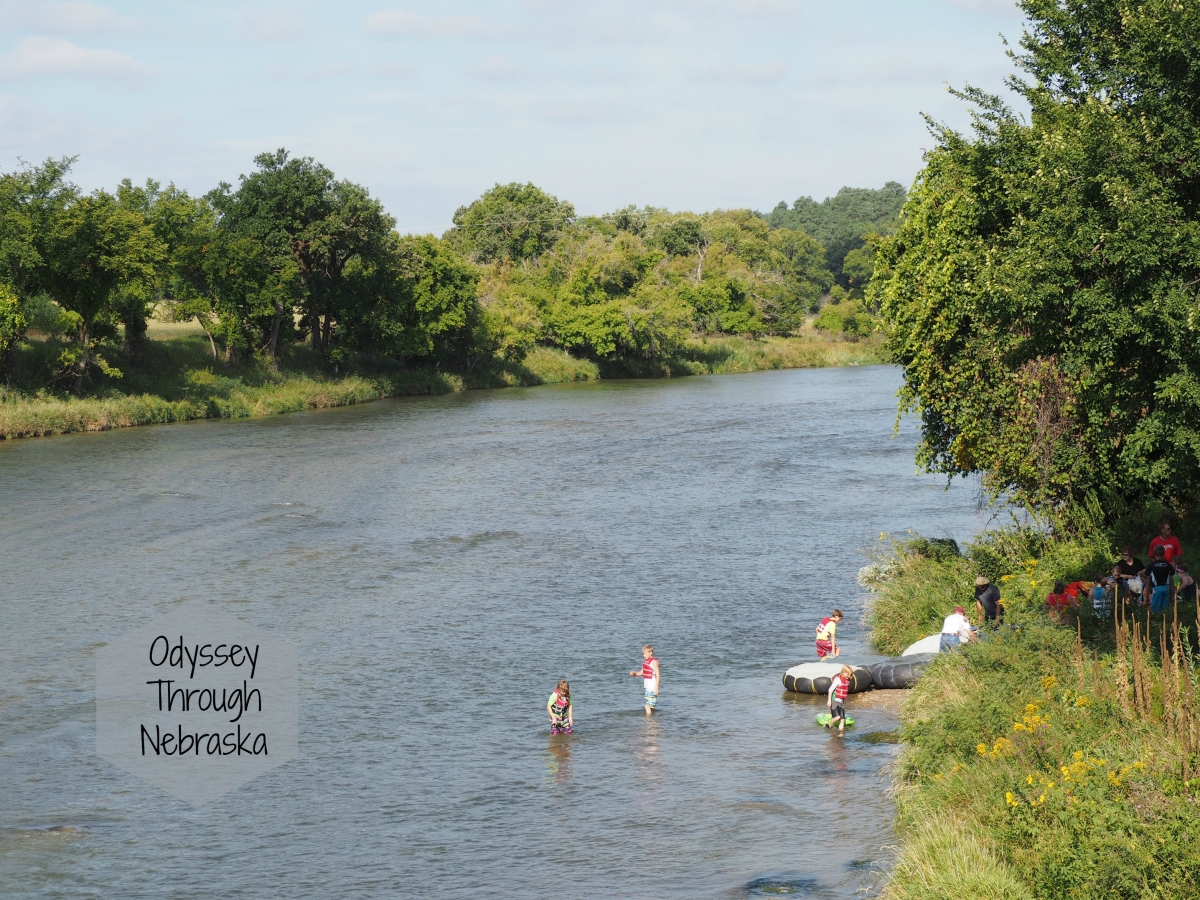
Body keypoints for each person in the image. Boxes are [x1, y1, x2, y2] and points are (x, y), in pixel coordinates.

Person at [629, 645, 660, 715]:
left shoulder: (653, 662)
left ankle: (649, 722)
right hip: (647, 687)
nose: (644, 655)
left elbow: (658, 675)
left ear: (650, 652)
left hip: (652, 687)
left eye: (645, 654)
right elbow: (642, 672)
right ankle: (651, 722)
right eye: (643, 654)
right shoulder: (646, 661)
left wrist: (656, 688)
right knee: (650, 706)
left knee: (647, 706)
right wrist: (635, 674)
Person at [1146, 545, 1176, 613]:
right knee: (1166, 610)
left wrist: (1146, 595)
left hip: (1157, 589)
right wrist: (1172, 594)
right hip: (1167, 588)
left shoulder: (1151, 565)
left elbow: (1148, 582)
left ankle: (1157, 622)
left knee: (1155, 610)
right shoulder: (1168, 565)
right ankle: (1167, 622)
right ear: (1164, 553)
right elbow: (1171, 580)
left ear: (1154, 553)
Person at [826, 664, 853, 734]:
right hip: (834, 701)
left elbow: (844, 693)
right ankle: (828, 726)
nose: (849, 677)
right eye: (848, 675)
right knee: (837, 717)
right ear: (843, 672)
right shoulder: (838, 680)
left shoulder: (847, 681)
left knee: (842, 719)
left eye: (850, 675)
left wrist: (843, 702)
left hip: (841, 702)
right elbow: (830, 690)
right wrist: (829, 701)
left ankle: (841, 735)